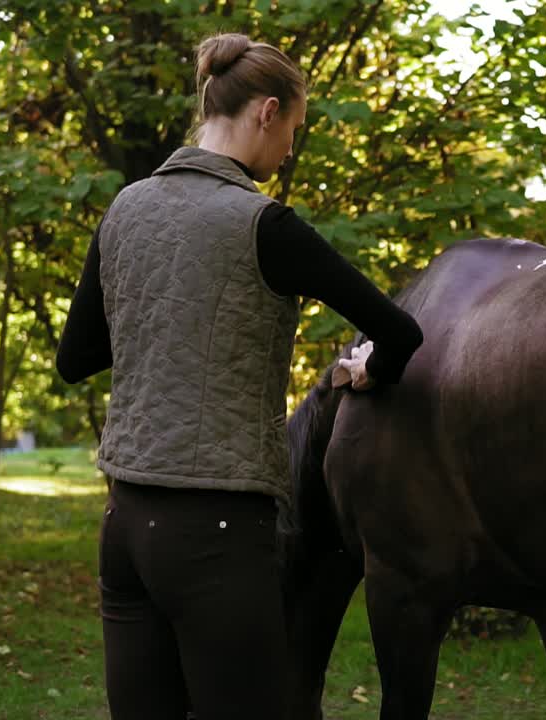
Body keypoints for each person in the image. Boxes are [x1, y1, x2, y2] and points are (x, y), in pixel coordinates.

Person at [55, 33, 423, 720]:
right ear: (267, 111)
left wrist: (158, 322)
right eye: (293, 130)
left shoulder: (124, 209)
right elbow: (400, 332)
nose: (287, 149)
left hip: (125, 528)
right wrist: (369, 370)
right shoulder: (266, 226)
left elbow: (75, 358)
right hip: (217, 533)